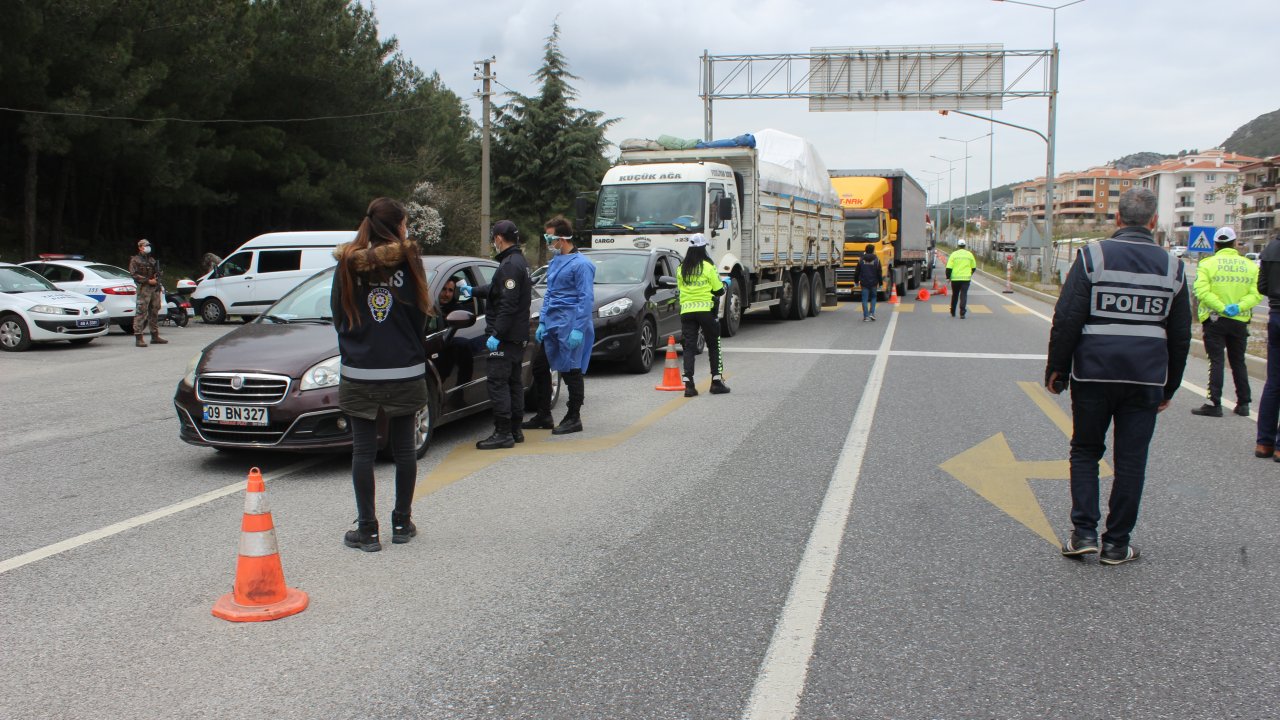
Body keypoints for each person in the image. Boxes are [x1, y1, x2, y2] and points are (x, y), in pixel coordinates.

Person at [1045, 187, 1191, 565]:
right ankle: (1116, 544)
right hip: (1145, 378)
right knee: (1132, 461)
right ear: (1154, 222)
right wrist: (1169, 385)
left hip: (1094, 373)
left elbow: (1068, 317)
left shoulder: (1093, 256)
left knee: (1086, 450)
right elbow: (1180, 333)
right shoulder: (1173, 266)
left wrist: (1057, 370)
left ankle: (1083, 534)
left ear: (1117, 219)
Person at [331, 197, 435, 552]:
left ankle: (368, 531)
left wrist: (356, 346)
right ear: (396, 225)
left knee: (363, 451)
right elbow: (423, 313)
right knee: (405, 449)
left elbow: (338, 315)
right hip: (405, 368)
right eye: (404, 222)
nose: (407, 228)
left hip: (360, 370)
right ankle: (402, 523)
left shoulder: (347, 264)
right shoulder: (410, 260)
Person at [1190, 227, 1262, 417]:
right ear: (1235, 243)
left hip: (1215, 319)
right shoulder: (1250, 266)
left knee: (1216, 361)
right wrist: (1238, 307)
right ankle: (1244, 403)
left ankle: (1214, 403)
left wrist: (1221, 308)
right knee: (1238, 361)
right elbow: (1256, 294)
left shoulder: (1207, 264)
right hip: (1239, 320)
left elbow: (1202, 292)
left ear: (1215, 244)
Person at [474, 220, 532, 450]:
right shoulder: (519, 262)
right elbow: (498, 290)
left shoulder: (509, 265)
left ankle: (503, 433)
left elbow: (507, 304)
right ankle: (515, 430)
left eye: (494, 238)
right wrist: (473, 291)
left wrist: (496, 333)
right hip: (517, 335)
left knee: (498, 383)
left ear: (499, 238)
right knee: (513, 383)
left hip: (506, 337)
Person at [535, 215, 594, 434]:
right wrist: (542, 321)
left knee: (571, 369)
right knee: (540, 366)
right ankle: (543, 414)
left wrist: (578, 328)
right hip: (553, 322)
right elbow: (549, 294)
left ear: (562, 238)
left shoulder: (582, 265)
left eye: (549, 237)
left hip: (571, 322)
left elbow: (585, 298)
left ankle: (574, 416)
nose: (548, 242)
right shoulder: (555, 262)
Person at [677, 233, 730, 397]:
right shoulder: (708, 266)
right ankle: (716, 382)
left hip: (687, 311)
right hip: (706, 310)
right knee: (714, 344)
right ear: (703, 248)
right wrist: (723, 285)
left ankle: (689, 385)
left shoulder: (681, 268)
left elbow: (680, 289)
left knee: (689, 347)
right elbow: (719, 290)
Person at [1256, 233, 1280, 461]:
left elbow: (1262, 286)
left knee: (1273, 383)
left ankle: (1264, 443)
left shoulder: (1270, 249)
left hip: (1275, 316)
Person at [128, 239, 167, 347]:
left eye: (148, 246)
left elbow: (157, 272)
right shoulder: (135, 260)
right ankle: (138, 337)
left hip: (154, 288)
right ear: (140, 247)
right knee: (141, 312)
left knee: (154, 311)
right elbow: (134, 274)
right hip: (144, 288)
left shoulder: (152, 260)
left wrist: (158, 275)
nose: (148, 247)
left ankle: (155, 335)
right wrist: (148, 280)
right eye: (145, 246)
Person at [945, 239, 976, 318]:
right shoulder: (969, 254)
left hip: (955, 279)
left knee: (955, 295)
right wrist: (970, 273)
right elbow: (974, 267)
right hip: (966, 279)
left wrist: (948, 277)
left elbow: (948, 267)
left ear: (958, 246)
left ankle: (953, 311)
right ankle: (962, 312)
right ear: (965, 246)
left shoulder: (954, 254)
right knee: (963, 295)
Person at [857, 243, 883, 322]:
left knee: (864, 299)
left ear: (865, 250)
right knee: (873, 298)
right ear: (873, 251)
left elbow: (857, 271)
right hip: (874, 283)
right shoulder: (877, 260)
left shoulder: (861, 259)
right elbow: (879, 272)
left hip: (864, 282)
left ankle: (866, 316)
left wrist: (856, 281)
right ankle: (872, 313)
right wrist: (881, 283)